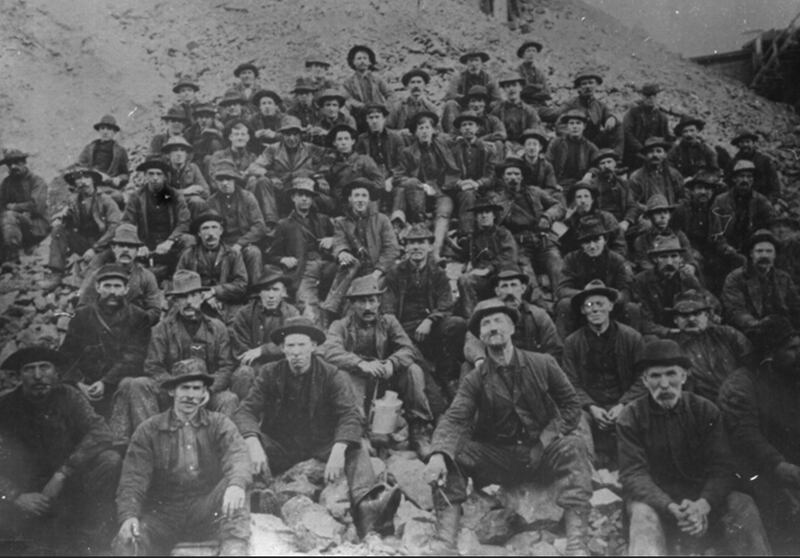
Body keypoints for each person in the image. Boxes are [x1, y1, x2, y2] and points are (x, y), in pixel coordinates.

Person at [422, 299, 592, 555]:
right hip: (498, 459)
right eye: (485, 324)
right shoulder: (474, 379)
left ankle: (577, 543)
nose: (492, 327)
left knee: (573, 446)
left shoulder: (543, 363)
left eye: (499, 321)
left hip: (541, 455)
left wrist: (545, 440)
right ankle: (445, 541)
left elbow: (570, 406)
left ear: (512, 327)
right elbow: (455, 418)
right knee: (451, 454)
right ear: (479, 335)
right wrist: (438, 453)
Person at [234, 317, 402, 538]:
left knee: (356, 448)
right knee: (243, 442)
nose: (296, 352)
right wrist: (253, 443)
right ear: (282, 349)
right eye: (290, 346)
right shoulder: (269, 373)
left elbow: (349, 415)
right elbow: (246, 411)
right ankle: (255, 496)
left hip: (320, 445)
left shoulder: (332, 374)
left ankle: (368, 508)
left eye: (302, 345)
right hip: (280, 446)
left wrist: (339, 449)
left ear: (313, 346)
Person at [617, 339, 770, 555]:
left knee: (742, 504)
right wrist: (670, 506)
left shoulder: (706, 411)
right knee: (642, 514)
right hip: (659, 504)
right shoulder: (630, 416)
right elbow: (633, 474)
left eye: (671, 373)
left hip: (704, 501)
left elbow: (722, 467)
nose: (664, 384)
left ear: (684, 376)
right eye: (655, 376)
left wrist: (703, 505)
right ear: (644, 380)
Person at [112, 360, 251, 556]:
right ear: (172, 392)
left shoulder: (219, 423)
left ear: (204, 393)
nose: (191, 395)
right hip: (163, 515)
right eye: (185, 388)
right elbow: (133, 479)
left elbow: (238, 454)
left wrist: (236, 484)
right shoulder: (149, 430)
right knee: (130, 539)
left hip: (204, 511)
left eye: (197, 389)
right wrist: (128, 516)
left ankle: (235, 548)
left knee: (236, 482)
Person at [0, 347, 121, 554]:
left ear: (56, 373)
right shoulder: (5, 405)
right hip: (25, 491)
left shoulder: (69, 396)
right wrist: (16, 496)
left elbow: (101, 432)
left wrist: (63, 473)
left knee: (109, 460)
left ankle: (92, 536)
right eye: (29, 369)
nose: (38, 376)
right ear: (19, 376)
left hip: (66, 485)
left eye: (44, 367)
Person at [109, 270, 239, 441]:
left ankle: (217, 447)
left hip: (205, 393)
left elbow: (226, 366)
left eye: (193, 295)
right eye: (182, 297)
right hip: (171, 392)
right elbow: (153, 366)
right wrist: (174, 388)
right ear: (175, 301)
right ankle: (153, 442)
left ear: (201, 297)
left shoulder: (217, 328)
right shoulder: (161, 329)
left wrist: (207, 390)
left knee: (229, 399)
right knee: (138, 384)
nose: (188, 302)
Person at [319, 275, 436, 456]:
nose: (367, 307)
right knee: (344, 375)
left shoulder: (389, 322)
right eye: (361, 302)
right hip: (357, 382)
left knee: (414, 370)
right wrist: (359, 363)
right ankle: (358, 433)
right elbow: (330, 351)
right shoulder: (340, 325)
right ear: (352, 304)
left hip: (384, 382)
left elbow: (408, 349)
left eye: (371, 300)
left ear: (379, 302)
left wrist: (392, 362)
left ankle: (419, 430)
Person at [718, 316, 800, 553]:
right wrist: (784, 468)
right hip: (755, 471)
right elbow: (746, 439)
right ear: (770, 354)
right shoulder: (740, 386)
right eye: (792, 349)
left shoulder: (792, 377)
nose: (799, 354)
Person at [562, 280, 645, 464]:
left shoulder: (631, 338)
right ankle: (592, 472)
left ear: (610, 306)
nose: (595, 310)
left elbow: (643, 378)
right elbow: (570, 382)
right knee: (576, 421)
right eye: (589, 305)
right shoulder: (572, 342)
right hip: (591, 406)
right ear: (583, 311)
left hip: (624, 402)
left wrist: (623, 404)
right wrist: (591, 407)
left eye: (600, 304)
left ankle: (632, 467)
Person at [383, 223, 468, 399]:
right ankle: (433, 393)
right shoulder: (395, 273)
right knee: (415, 361)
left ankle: (448, 377)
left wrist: (430, 320)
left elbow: (446, 304)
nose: (416, 247)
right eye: (411, 243)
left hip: (430, 326)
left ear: (430, 246)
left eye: (421, 242)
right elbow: (388, 309)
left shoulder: (437, 273)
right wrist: (398, 334)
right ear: (405, 247)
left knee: (457, 324)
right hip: (403, 328)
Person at [60, 264, 151, 418]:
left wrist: (105, 382)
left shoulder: (139, 317)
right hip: (87, 385)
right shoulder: (82, 316)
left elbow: (134, 357)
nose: (112, 292)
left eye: (117, 286)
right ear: (97, 287)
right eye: (107, 286)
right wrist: (78, 383)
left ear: (126, 289)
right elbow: (67, 354)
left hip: (120, 384)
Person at [320, 178, 400, 320]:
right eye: (356, 196)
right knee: (348, 307)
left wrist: (376, 273)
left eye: (364, 196)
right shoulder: (342, 223)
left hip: (380, 271)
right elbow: (339, 241)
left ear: (369, 200)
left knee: (381, 303)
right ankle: (332, 312)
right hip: (355, 272)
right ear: (350, 199)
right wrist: (342, 252)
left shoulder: (381, 220)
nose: (360, 200)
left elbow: (392, 249)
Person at [463, 270, 563, 374]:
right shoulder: (484, 311)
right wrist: (479, 359)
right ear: (497, 291)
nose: (510, 291)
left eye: (514, 285)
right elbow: (472, 340)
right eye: (504, 286)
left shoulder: (537, 315)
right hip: (495, 370)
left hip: (528, 369)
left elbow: (554, 349)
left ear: (523, 289)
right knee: (467, 367)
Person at [488, 157, 564, 294]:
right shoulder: (497, 200)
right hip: (518, 244)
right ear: (503, 178)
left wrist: (547, 216)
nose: (513, 177)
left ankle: (562, 301)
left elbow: (558, 206)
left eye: (517, 174)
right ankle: (539, 304)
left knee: (556, 263)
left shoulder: (535, 192)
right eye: (509, 174)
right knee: (527, 276)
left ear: (522, 177)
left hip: (543, 240)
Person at [265, 177, 336, 321]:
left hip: (328, 267)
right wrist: (284, 259)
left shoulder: (323, 220)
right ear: (293, 197)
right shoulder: (284, 224)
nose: (304, 199)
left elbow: (342, 240)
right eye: (300, 195)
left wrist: (333, 240)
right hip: (304, 270)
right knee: (307, 305)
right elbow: (271, 255)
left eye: (308, 195)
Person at [394, 111, 460, 260]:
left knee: (443, 214)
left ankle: (435, 252)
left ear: (433, 130)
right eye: (420, 128)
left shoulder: (443, 146)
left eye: (427, 128)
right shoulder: (407, 152)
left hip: (442, 191)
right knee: (416, 199)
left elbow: (454, 169)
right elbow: (398, 177)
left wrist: (447, 186)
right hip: (418, 195)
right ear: (415, 133)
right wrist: (420, 184)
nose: (424, 132)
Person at [555, 217, 633, 339]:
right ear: (581, 244)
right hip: (582, 308)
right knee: (564, 305)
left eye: (596, 240)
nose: (592, 246)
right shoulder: (571, 259)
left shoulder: (617, 260)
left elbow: (626, 291)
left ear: (605, 240)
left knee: (631, 308)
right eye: (586, 242)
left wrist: (607, 296)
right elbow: (562, 290)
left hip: (609, 307)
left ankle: (630, 348)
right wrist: (585, 294)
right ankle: (564, 351)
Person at [667, 289, 751, 402]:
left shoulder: (728, 335)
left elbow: (752, 365)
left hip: (742, 399)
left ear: (706, 315)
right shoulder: (672, 348)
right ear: (675, 320)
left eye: (697, 314)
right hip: (704, 408)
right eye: (684, 315)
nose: (691, 319)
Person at [45, 166, 121, 290]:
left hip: (104, 245)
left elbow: (114, 228)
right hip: (84, 242)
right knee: (58, 230)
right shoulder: (74, 200)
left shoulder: (106, 200)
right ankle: (56, 274)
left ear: (93, 180)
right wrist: (61, 218)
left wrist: (95, 249)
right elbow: (69, 216)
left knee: (90, 272)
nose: (82, 181)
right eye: (78, 178)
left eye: (86, 177)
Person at [229, 270, 300, 400]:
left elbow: (294, 345)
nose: (271, 295)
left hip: (282, 367)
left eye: (276, 289)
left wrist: (263, 350)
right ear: (260, 292)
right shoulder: (244, 314)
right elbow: (242, 352)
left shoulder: (292, 314)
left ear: (283, 293)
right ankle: (241, 415)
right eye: (267, 290)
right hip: (253, 367)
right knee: (243, 374)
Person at [78, 224, 163, 326]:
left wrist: (136, 321)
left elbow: (155, 310)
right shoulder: (98, 275)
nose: (125, 250)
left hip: (134, 330)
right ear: (113, 248)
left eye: (131, 246)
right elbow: (83, 306)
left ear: (137, 251)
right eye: (121, 245)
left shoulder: (146, 277)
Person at [721, 228, 800, 338]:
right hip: (750, 333)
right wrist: (757, 325)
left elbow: (796, 308)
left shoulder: (783, 278)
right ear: (751, 254)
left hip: (783, 333)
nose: (764, 255)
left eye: (769, 251)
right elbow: (735, 311)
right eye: (759, 251)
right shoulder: (735, 278)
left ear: (775, 255)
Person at [122, 157, 193, 279]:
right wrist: (138, 244)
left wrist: (170, 241)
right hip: (146, 244)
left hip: (169, 243)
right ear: (145, 176)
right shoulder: (136, 196)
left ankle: (182, 276)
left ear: (165, 177)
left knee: (189, 240)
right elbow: (128, 222)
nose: (155, 177)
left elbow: (184, 222)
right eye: (151, 174)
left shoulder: (175, 195)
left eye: (159, 174)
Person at [176, 211, 248, 321]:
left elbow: (241, 284)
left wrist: (214, 291)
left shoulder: (233, 254)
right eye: (205, 228)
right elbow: (179, 281)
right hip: (196, 303)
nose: (210, 233)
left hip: (227, 303)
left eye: (214, 227)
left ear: (221, 231)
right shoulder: (188, 255)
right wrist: (200, 296)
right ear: (199, 233)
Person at [631, 235, 708, 338]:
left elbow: (708, 307)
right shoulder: (641, 281)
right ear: (655, 259)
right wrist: (670, 332)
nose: (669, 262)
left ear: (681, 259)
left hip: (687, 329)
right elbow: (643, 321)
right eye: (663, 257)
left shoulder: (687, 278)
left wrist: (694, 283)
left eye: (674, 256)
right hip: (659, 334)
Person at [252, 116, 327, 219]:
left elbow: (329, 157)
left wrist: (319, 176)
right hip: (281, 189)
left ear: (301, 135)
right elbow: (254, 167)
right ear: (282, 135)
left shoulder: (310, 148)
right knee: (262, 181)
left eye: (295, 134)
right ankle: (271, 221)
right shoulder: (273, 149)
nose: (292, 138)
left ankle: (309, 219)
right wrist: (270, 175)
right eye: (287, 134)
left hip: (302, 191)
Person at [456, 196, 519, 317]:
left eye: (487, 212)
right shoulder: (474, 237)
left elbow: (509, 257)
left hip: (502, 276)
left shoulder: (503, 233)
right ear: (476, 217)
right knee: (464, 280)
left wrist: (488, 269)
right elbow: (470, 257)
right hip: (484, 281)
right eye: (479, 213)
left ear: (494, 215)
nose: (483, 216)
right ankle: (473, 319)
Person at [205, 164, 267, 285]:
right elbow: (209, 228)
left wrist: (240, 243)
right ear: (216, 182)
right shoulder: (211, 202)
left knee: (254, 253)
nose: (224, 183)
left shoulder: (247, 197)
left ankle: (256, 291)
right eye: (220, 179)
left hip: (244, 242)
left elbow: (259, 226)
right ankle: (222, 292)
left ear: (235, 180)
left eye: (228, 179)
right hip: (221, 244)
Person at [710, 159, 776, 264]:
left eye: (749, 176)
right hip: (725, 253)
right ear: (734, 179)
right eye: (741, 176)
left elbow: (771, 227)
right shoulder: (720, 201)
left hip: (753, 251)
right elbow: (715, 233)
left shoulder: (761, 201)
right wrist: (729, 251)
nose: (745, 180)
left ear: (753, 180)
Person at [446, 110, 494, 238]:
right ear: (460, 129)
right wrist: (460, 183)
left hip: (482, 190)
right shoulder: (452, 149)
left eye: (470, 124)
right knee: (467, 195)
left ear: (477, 128)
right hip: (460, 191)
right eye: (464, 125)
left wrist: (478, 183)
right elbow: (446, 173)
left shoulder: (488, 149)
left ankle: (492, 235)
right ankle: (467, 235)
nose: (467, 127)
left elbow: (492, 174)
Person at [0, 148, 49, 263]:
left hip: (37, 226)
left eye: (16, 162)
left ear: (24, 162)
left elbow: (37, 206)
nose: (13, 166)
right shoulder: (7, 183)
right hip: (15, 226)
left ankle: (12, 261)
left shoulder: (37, 181)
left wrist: (15, 207)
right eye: (9, 164)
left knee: (9, 216)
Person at [321, 123, 384, 213]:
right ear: (334, 143)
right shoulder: (331, 162)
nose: (343, 142)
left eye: (346, 139)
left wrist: (361, 183)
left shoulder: (364, 160)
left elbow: (380, 183)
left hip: (361, 203)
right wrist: (321, 179)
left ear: (353, 141)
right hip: (338, 204)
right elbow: (324, 177)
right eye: (339, 139)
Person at [355, 103, 405, 213]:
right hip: (371, 177)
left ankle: (397, 220)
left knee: (401, 190)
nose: (374, 121)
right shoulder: (361, 140)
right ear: (366, 120)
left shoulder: (396, 138)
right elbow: (359, 164)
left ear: (384, 119)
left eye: (377, 117)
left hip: (391, 174)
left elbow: (403, 164)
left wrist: (392, 178)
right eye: (371, 118)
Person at [560, 69, 623, 154]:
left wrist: (611, 118)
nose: (588, 86)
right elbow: (560, 124)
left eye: (591, 83)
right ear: (579, 87)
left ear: (596, 85)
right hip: (576, 142)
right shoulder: (570, 104)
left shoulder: (600, 105)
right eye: (584, 84)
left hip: (595, 142)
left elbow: (607, 115)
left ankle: (615, 158)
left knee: (618, 125)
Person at [558, 180, 627, 257]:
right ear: (574, 201)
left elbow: (619, 245)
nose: (583, 201)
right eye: (579, 197)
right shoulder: (570, 221)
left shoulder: (606, 218)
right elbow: (565, 249)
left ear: (592, 200)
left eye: (586, 196)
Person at [631, 194, 695, 274]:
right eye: (658, 213)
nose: (662, 216)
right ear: (650, 216)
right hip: (653, 277)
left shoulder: (679, 235)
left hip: (676, 273)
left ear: (669, 215)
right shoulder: (642, 240)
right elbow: (644, 264)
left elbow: (688, 256)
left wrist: (690, 266)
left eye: (665, 212)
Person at [441, 51, 501, 133]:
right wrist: (466, 98)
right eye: (470, 61)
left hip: (484, 109)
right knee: (450, 104)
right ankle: (452, 134)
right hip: (464, 109)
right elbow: (450, 95)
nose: (473, 64)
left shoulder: (489, 79)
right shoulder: (459, 78)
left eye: (476, 60)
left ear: (482, 63)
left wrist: (486, 104)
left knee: (500, 105)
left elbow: (497, 98)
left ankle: (495, 131)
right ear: (466, 63)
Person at [77, 114, 130, 204]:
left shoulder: (120, 151)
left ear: (114, 132)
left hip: (107, 187)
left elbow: (126, 174)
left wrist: (118, 178)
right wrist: (95, 173)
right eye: (102, 128)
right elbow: (80, 167)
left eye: (109, 129)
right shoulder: (89, 148)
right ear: (99, 130)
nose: (105, 132)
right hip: (89, 185)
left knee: (117, 197)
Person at [342, 45, 393, 132]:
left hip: (377, 115)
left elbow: (390, 94)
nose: (362, 61)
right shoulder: (348, 82)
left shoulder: (377, 79)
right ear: (353, 62)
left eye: (365, 58)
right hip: (359, 117)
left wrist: (385, 107)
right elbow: (347, 99)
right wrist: (362, 106)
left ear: (370, 62)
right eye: (359, 58)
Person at [621, 83, 672, 170]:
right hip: (635, 153)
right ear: (642, 96)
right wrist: (641, 149)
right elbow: (627, 133)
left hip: (654, 152)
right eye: (648, 96)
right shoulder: (633, 113)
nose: (651, 99)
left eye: (654, 96)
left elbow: (665, 136)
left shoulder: (662, 117)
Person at [588, 149, 638, 234]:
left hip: (622, 222)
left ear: (615, 164)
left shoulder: (623, 183)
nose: (606, 166)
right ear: (598, 167)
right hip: (602, 223)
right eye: (602, 163)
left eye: (609, 162)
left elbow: (631, 205)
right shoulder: (592, 185)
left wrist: (626, 221)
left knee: (645, 225)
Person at [545, 109, 599, 188]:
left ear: (584, 126)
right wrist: (553, 183)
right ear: (567, 126)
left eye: (578, 123)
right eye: (571, 123)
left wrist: (590, 173)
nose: (575, 126)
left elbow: (598, 164)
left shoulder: (590, 147)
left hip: (581, 185)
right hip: (559, 184)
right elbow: (547, 164)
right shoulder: (556, 143)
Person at [727, 128, 782, 203]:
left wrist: (768, 203)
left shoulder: (765, 161)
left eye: (748, 141)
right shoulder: (732, 163)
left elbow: (775, 188)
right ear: (738, 144)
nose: (745, 145)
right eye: (742, 142)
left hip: (762, 201)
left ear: (753, 143)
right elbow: (728, 185)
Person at [628, 137, 685, 206]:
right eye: (651, 151)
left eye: (659, 151)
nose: (655, 155)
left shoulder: (674, 174)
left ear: (665, 154)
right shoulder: (636, 177)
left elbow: (682, 197)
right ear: (645, 155)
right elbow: (633, 201)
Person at [161, 136, 209, 217]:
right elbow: (161, 194)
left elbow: (206, 192)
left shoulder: (193, 168)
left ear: (186, 155)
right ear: (168, 155)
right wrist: (185, 191)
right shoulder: (163, 170)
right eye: (175, 150)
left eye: (182, 150)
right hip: (170, 205)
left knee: (197, 201)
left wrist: (199, 191)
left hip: (190, 207)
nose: (179, 154)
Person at [207, 120, 260, 192]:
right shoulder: (218, 156)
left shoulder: (252, 158)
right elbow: (214, 182)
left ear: (248, 138)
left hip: (248, 197)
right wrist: (240, 177)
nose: (240, 138)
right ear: (230, 137)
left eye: (243, 134)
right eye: (236, 134)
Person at [386, 68, 439, 135]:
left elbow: (437, 130)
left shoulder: (431, 108)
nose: (416, 85)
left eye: (419, 82)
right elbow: (387, 129)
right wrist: (400, 132)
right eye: (412, 82)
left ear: (425, 85)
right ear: (407, 86)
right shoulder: (398, 107)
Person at [518, 127, 559, 196]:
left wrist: (538, 195)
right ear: (524, 147)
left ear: (540, 147)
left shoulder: (547, 166)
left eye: (535, 144)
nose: (531, 148)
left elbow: (551, 187)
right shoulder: (517, 164)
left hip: (542, 197)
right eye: (528, 144)